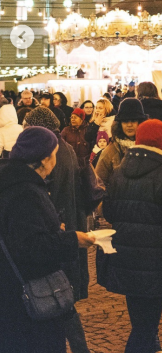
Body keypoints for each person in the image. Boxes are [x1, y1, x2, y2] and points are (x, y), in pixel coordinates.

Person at [0, 127, 96, 353]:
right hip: (27, 299)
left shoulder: (12, 181)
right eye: (55, 153)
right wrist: (73, 240)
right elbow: (32, 247)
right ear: (44, 159)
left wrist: (52, 227)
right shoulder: (26, 192)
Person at [102, 119, 162, 353]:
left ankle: (152, 348)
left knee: (139, 318)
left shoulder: (119, 172)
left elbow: (109, 212)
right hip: (154, 258)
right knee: (147, 323)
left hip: (126, 255)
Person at [96, 98, 162, 189]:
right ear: (119, 124)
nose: (129, 125)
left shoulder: (155, 145)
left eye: (133, 120)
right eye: (125, 121)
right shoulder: (112, 150)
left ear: (140, 122)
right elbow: (99, 181)